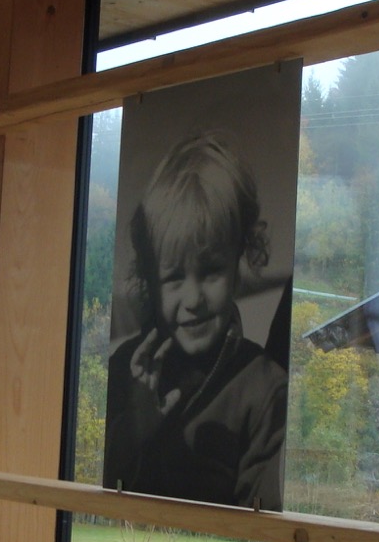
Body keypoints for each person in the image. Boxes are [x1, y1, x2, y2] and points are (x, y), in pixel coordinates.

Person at [104, 131, 287, 509]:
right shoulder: (123, 371)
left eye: (211, 271)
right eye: (174, 277)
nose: (193, 300)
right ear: (150, 278)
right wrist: (132, 433)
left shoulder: (265, 390)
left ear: (240, 259)